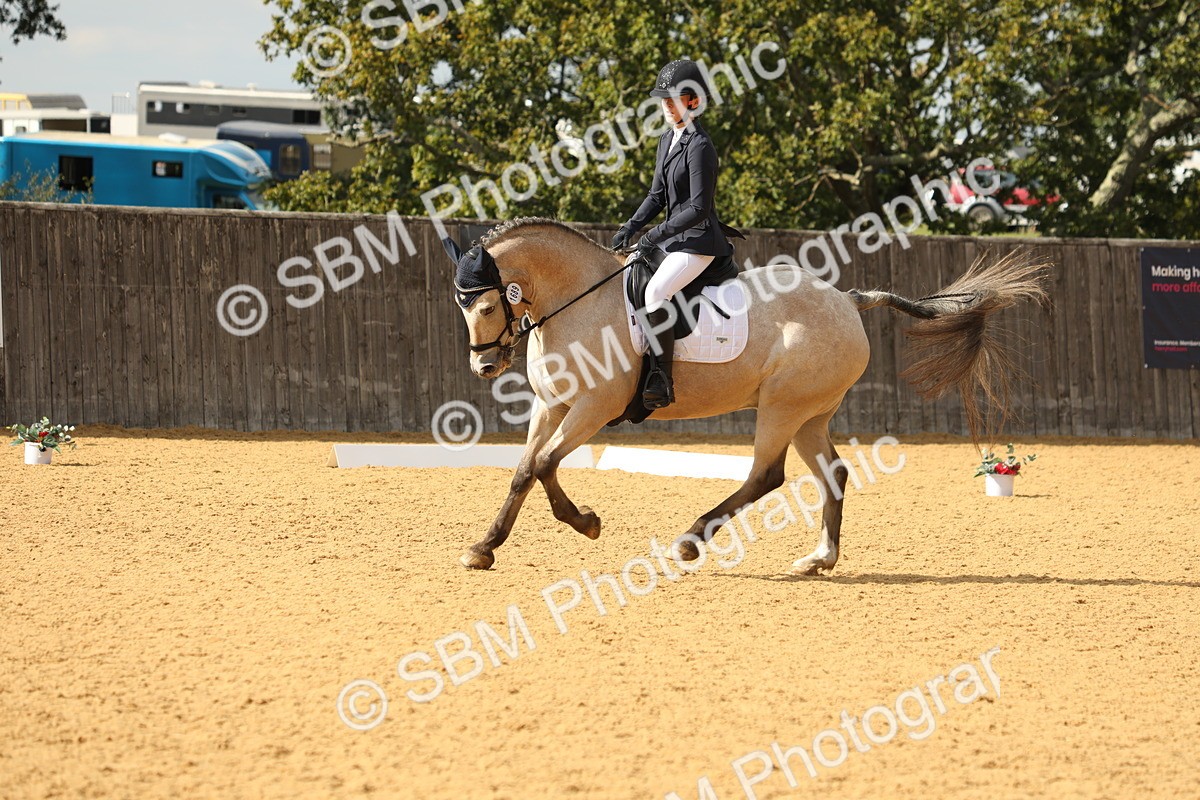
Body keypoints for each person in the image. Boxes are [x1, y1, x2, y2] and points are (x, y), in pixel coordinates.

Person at [611, 58, 739, 410]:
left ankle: (661, 379)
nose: (667, 104)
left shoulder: (700, 146)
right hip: (674, 239)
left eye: (674, 98)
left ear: (693, 100)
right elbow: (657, 196)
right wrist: (630, 226)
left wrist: (653, 235)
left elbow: (698, 208)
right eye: (663, 99)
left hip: (698, 242)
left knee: (656, 291)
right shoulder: (668, 138)